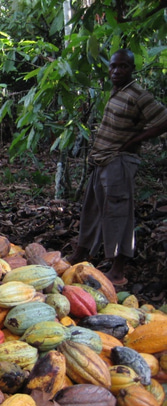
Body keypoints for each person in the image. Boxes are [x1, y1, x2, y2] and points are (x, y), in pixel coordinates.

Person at [66, 49, 167, 286]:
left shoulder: (138, 94)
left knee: (118, 213)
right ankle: (82, 253)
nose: (116, 71)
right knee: (92, 209)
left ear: (132, 69)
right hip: (103, 160)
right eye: (113, 66)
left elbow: (164, 119)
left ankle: (118, 270)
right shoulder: (117, 91)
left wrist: (136, 140)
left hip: (119, 161)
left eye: (122, 66)